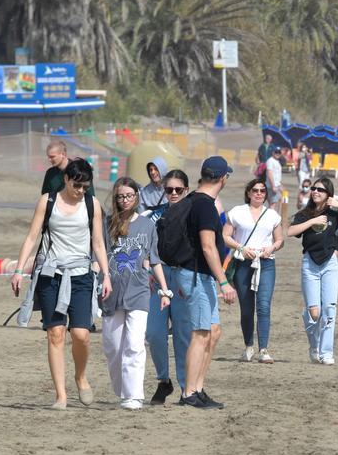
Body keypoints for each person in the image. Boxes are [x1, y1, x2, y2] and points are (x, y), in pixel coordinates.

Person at [10, 158, 112, 409]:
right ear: (66, 179)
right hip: (50, 274)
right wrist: (19, 271)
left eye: (85, 187)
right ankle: (61, 396)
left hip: (81, 275)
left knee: (81, 334)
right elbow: (32, 236)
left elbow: (98, 242)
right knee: (55, 333)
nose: (80, 191)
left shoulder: (92, 204)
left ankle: (81, 377)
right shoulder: (48, 201)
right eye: (77, 185)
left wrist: (106, 274)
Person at [171, 156, 237, 409]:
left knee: (212, 332)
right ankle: (189, 393)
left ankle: (198, 388)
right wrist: (224, 282)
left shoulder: (195, 201)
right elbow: (208, 247)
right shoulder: (204, 206)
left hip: (197, 274)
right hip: (197, 274)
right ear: (223, 178)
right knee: (199, 334)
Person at [101, 177, 171, 410]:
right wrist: (99, 280)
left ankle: (134, 396)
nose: (124, 200)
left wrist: (163, 290)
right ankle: (123, 390)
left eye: (129, 195)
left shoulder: (147, 225)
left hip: (139, 290)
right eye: (120, 196)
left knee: (134, 344)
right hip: (111, 292)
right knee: (113, 347)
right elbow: (98, 256)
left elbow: (154, 259)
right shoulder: (107, 223)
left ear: (136, 197)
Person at [288, 178, 338, 365]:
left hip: (330, 264)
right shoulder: (305, 213)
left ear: (328, 194)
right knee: (314, 314)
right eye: (314, 189)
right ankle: (314, 346)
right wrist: (312, 221)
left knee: (329, 310)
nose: (315, 192)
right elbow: (290, 231)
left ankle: (326, 352)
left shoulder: (334, 213)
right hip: (310, 264)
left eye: (320, 190)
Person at [223, 179, 284, 364]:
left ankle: (264, 350)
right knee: (247, 308)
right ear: (249, 193)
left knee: (264, 306)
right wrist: (241, 248)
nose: (259, 194)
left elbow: (280, 239)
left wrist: (271, 248)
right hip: (243, 263)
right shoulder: (237, 213)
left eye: (262, 191)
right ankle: (248, 346)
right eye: (255, 190)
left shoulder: (272, 215)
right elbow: (225, 236)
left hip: (265, 263)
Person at [146, 169, 189, 405]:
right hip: (159, 276)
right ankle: (164, 380)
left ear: (186, 190)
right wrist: (148, 270)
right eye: (169, 189)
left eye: (178, 190)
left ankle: (186, 386)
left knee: (183, 336)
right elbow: (144, 245)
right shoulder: (156, 216)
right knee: (154, 333)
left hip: (183, 277)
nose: (173, 193)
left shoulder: (193, 214)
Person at [265, 145, 284, 211]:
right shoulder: (270, 161)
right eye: (276, 152)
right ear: (273, 152)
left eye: (279, 152)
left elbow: (277, 175)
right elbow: (270, 173)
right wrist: (273, 186)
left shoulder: (277, 161)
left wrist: (280, 184)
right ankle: (272, 219)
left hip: (277, 185)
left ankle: (277, 217)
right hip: (272, 185)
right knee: (273, 204)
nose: (278, 154)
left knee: (281, 200)